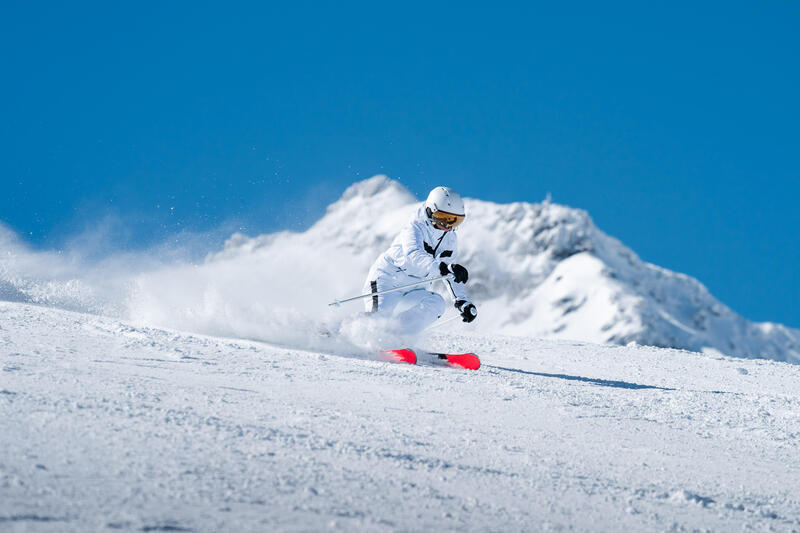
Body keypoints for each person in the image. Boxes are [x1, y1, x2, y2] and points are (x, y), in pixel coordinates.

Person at [363, 186, 477, 335]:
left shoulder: (450, 238)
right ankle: (333, 330)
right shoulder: (415, 227)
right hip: (388, 280)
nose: (448, 226)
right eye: (444, 218)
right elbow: (414, 255)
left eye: (455, 221)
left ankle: (396, 338)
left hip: (416, 287)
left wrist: (462, 301)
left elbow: (450, 274)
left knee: (436, 304)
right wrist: (444, 268)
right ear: (431, 211)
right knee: (376, 322)